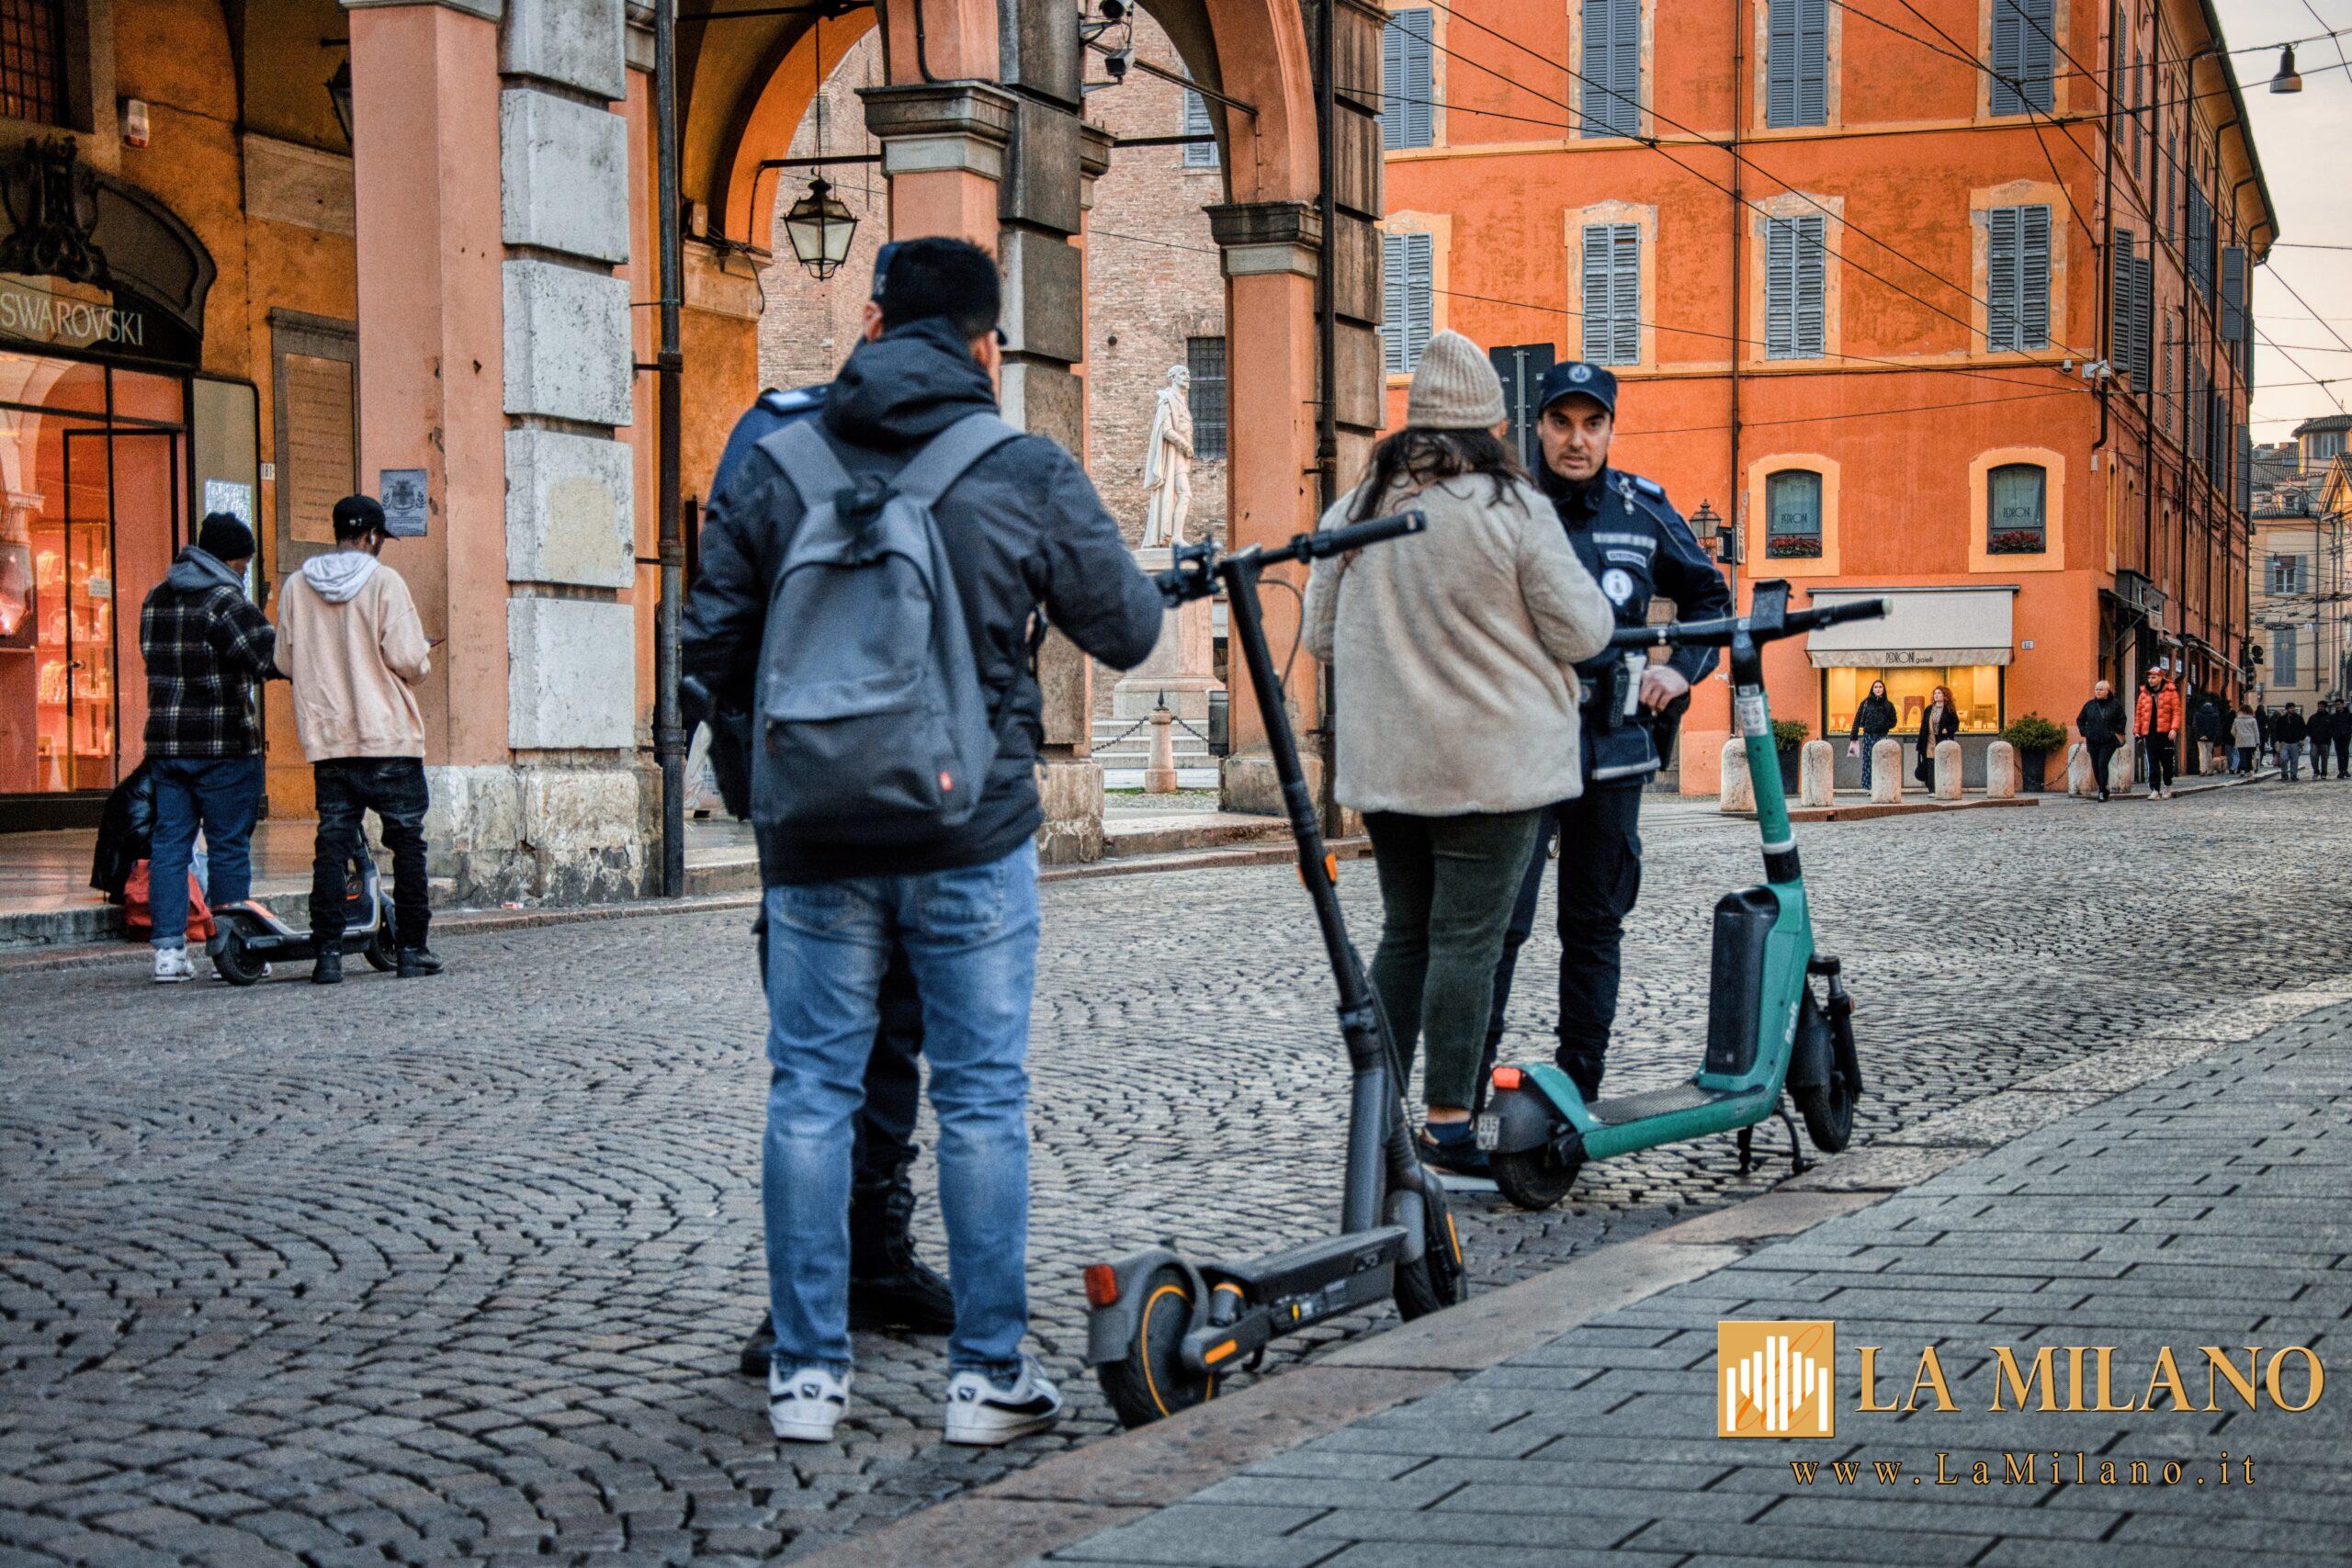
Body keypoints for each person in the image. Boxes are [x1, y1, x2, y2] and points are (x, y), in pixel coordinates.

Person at [681, 236, 1161, 1447]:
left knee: (810, 1093)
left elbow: (708, 648)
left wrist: (771, 790)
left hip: (813, 843)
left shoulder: (776, 459)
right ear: (987, 343)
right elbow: (1131, 628)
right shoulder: (1020, 466)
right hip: (968, 827)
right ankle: (986, 1375)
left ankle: (805, 1374)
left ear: (872, 317)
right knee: (983, 1096)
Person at [697, 245, 962, 1374]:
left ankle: (869, 1258)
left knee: (882, 1026)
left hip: (869, 792)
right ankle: (817, 1285)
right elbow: (723, 619)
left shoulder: (957, 443)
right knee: (831, 1042)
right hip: (843, 794)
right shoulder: (783, 435)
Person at [1303, 332, 1611, 1177]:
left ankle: (1378, 1112)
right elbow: (1585, 630)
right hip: (1496, 764)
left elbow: (1319, 634)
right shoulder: (1512, 509)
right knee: (1466, 940)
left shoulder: (1356, 507)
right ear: (1495, 424)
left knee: (1405, 932)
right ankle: (1446, 1121)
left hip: (1392, 766)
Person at [1480, 359, 1734, 1105]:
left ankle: (1579, 1092)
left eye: (1593, 424)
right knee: (1499, 928)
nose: (1576, 439)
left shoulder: (1641, 509)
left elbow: (1710, 595)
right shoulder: (1506, 507)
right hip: (1519, 751)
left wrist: (1683, 668)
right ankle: (1460, 1097)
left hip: (1613, 754)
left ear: (1612, 430)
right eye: (1562, 422)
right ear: (1538, 425)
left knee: (1593, 928)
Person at [271, 494, 439, 982]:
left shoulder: (297, 587)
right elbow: (409, 659)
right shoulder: (386, 582)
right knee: (407, 845)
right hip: (389, 737)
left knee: (332, 844)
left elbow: (283, 661)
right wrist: (421, 657)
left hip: (332, 739)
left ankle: (327, 955)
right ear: (369, 537)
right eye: (380, 539)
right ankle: (411, 950)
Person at [138, 512, 276, 983]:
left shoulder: (155, 599)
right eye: (242, 564)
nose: (243, 573)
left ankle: (168, 953)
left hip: (167, 746)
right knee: (228, 847)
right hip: (223, 744)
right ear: (229, 559)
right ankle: (230, 946)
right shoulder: (225, 602)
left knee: (169, 846)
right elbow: (265, 657)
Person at [2076, 679, 2125, 802]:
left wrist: (2116, 730)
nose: (2098, 691)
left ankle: (2102, 791)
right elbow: (2080, 719)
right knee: (2096, 766)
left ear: (2107, 691)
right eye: (2096, 689)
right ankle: (2103, 787)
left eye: (2101, 689)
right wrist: (2085, 732)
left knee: (2102, 764)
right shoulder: (2090, 705)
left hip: (2108, 741)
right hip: (2092, 740)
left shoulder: (2115, 704)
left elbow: (2122, 719)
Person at [2134, 667, 2179, 798]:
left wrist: (2174, 728)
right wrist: (2137, 731)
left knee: (2167, 761)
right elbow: (2139, 713)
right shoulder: (2144, 694)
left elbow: (2176, 712)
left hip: (2166, 732)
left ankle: (2167, 785)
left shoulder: (2171, 692)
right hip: (2150, 731)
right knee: (2152, 761)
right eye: (2149, 678)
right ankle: (2154, 789)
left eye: (2153, 677)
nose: (2150, 680)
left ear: (2161, 677)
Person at [1849, 678, 1896, 794]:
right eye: (1876, 687)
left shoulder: (1889, 705)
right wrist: (1853, 736)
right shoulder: (1865, 703)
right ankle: (1869, 787)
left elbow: (1894, 721)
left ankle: (1882, 785)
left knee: (1883, 761)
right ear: (1872, 689)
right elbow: (1857, 719)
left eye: (1880, 687)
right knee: (1868, 761)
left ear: (1883, 689)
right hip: (1868, 735)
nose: (1878, 689)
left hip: (1882, 736)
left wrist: (1884, 726)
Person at [1913, 683, 1959, 791]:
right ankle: (1931, 788)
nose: (1936, 695)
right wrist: (1920, 744)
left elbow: (1956, 724)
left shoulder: (1949, 709)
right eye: (1935, 693)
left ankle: (1942, 787)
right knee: (1930, 764)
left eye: (1939, 693)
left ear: (1945, 695)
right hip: (1929, 740)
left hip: (1942, 740)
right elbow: (1923, 726)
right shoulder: (1929, 709)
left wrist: (1947, 729)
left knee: (1942, 764)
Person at [2276, 701, 2307, 781]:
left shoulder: (2299, 718)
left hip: (2296, 742)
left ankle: (2294, 775)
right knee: (2283, 759)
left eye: (2293, 708)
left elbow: (2303, 729)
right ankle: (2284, 773)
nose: (2292, 709)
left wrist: (2301, 739)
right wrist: (2280, 740)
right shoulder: (2282, 719)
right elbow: (2278, 730)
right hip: (2284, 742)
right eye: (2290, 708)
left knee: (2294, 760)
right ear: (2287, 709)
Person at [2233, 702, 2260, 776]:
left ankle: (2242, 770)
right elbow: (2256, 732)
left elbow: (2232, 731)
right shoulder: (2253, 720)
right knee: (2249, 756)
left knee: (2242, 756)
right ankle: (2249, 771)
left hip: (2240, 740)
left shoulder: (2237, 720)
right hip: (2251, 740)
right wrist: (2257, 742)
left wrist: (2237, 736)